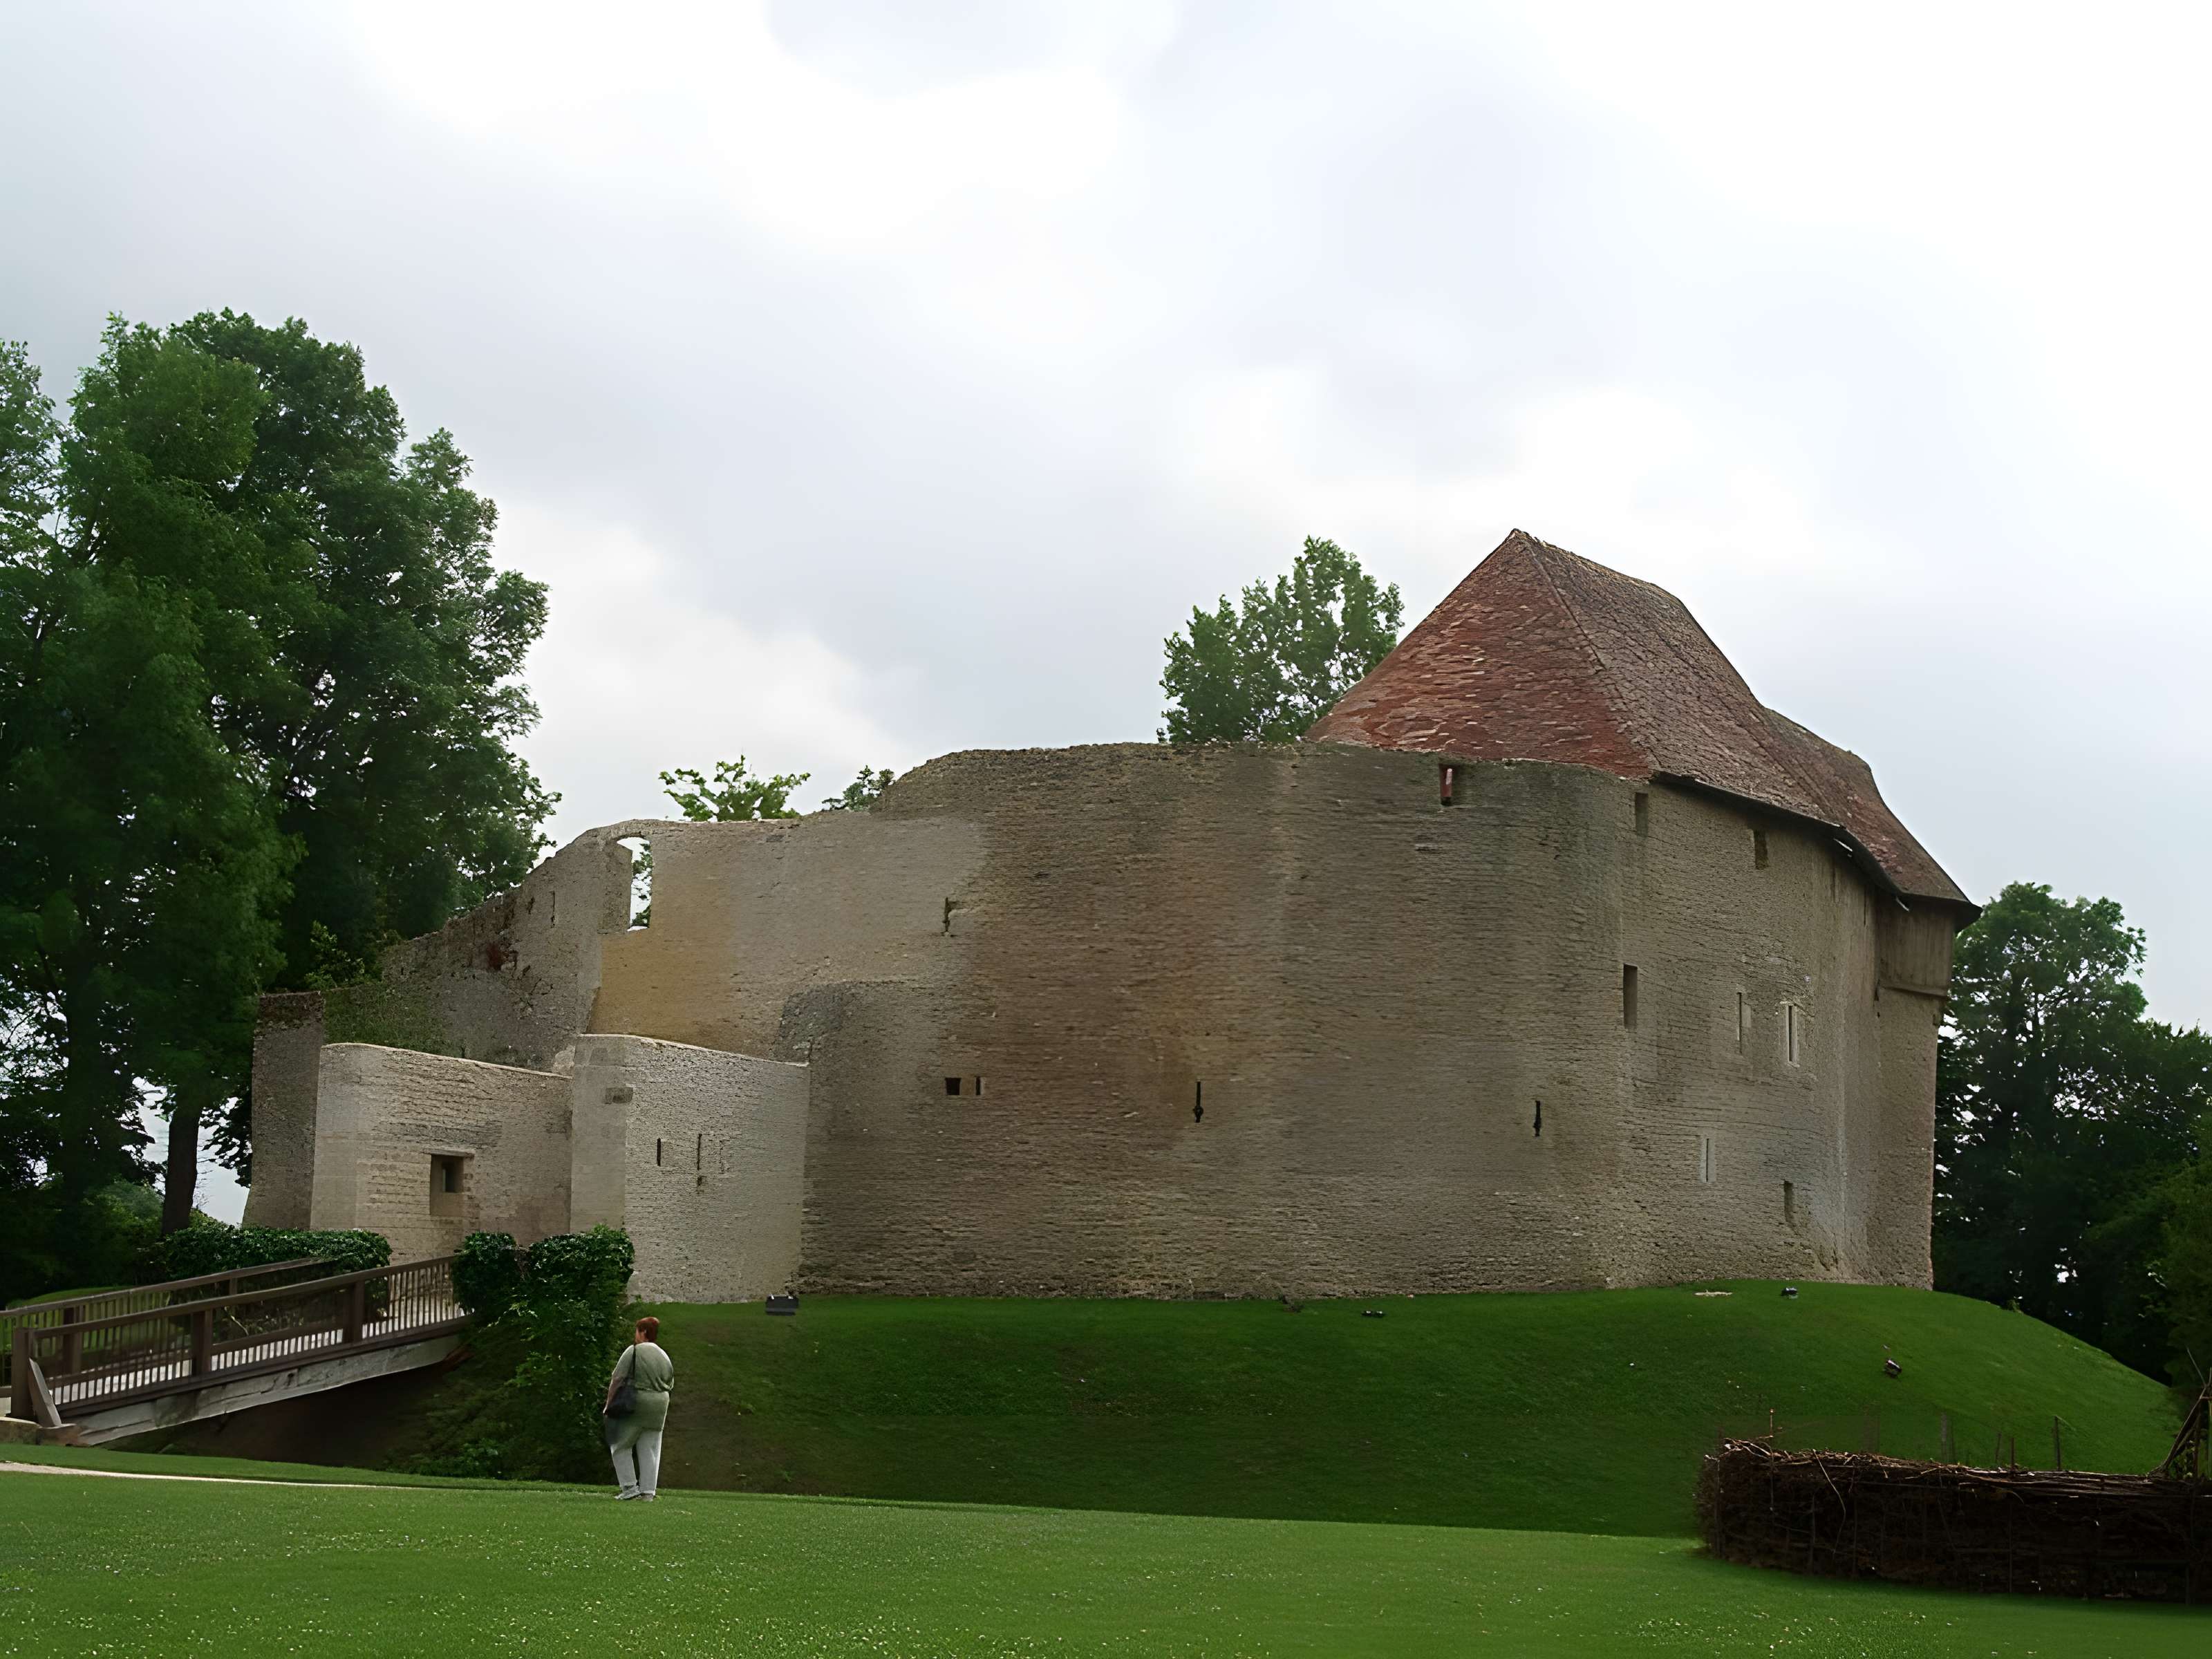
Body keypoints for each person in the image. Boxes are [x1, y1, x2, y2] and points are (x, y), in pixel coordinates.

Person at [603, 1315, 674, 1501]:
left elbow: (617, 1378)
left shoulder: (634, 1351)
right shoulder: (664, 1356)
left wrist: (609, 1405)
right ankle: (648, 1492)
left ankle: (629, 1488)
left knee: (620, 1444)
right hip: (660, 1405)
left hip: (639, 1401)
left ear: (643, 1332)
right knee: (649, 1448)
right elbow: (670, 1382)